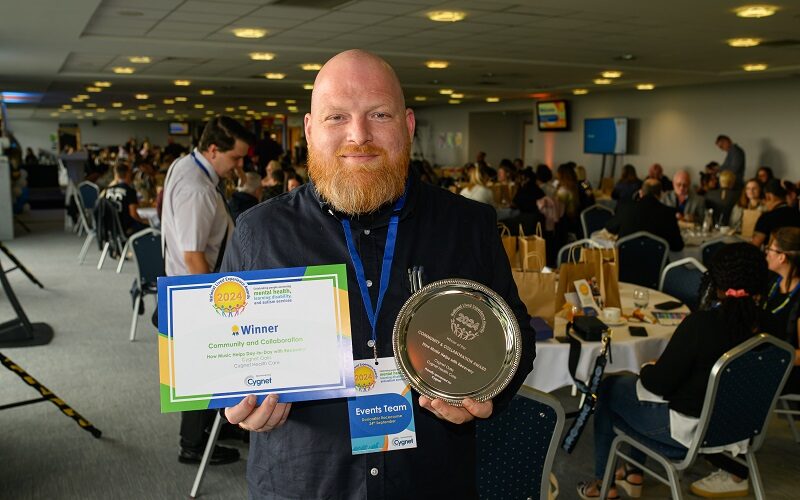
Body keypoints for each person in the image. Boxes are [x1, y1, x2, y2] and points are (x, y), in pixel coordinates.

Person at [221, 49, 535, 499]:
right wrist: (235, 407)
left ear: (407, 126)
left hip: (430, 482)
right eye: (336, 118)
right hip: (304, 483)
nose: (359, 135)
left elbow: (515, 336)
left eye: (379, 114)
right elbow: (223, 361)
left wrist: (489, 394)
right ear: (310, 131)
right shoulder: (259, 233)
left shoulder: (467, 226)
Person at [578, 243, 768, 499]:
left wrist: (647, 368)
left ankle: (604, 483)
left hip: (688, 434)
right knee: (626, 391)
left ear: (717, 281)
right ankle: (633, 472)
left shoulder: (702, 325)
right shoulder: (770, 328)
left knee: (609, 389)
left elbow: (658, 384)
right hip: (739, 429)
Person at [161, 115, 254, 466]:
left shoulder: (186, 166)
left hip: (189, 286)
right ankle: (193, 446)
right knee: (200, 372)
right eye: (235, 158)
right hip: (196, 290)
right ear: (214, 150)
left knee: (210, 371)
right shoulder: (197, 189)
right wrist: (214, 309)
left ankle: (220, 425)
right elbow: (193, 256)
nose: (240, 166)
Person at [605, 179, 684, 251]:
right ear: (660, 195)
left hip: (625, 263)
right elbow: (678, 246)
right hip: (657, 264)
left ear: (641, 193)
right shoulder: (669, 213)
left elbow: (610, 228)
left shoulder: (625, 208)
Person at [102, 162, 148, 236]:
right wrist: (143, 221)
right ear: (128, 174)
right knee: (149, 228)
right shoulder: (129, 191)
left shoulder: (107, 190)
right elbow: (133, 214)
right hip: (125, 229)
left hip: (109, 228)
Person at [752, 179, 800, 248]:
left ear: (768, 196)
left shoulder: (766, 217)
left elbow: (754, 246)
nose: (763, 203)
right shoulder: (797, 213)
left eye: (763, 200)